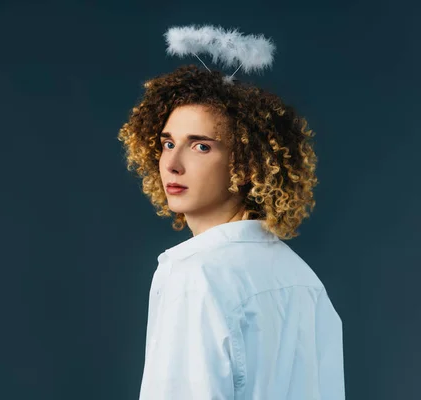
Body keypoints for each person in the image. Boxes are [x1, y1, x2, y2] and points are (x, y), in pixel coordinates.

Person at [117, 65, 345, 399]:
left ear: (248, 163)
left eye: (201, 146)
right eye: (167, 143)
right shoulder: (304, 281)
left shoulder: (194, 275)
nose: (172, 163)